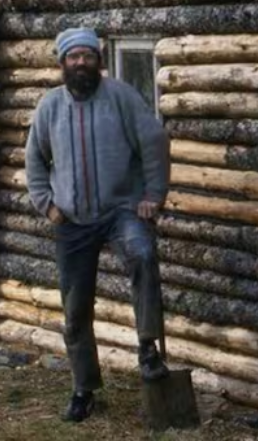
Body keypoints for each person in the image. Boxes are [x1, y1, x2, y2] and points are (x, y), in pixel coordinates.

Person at [24, 27, 172, 423]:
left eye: (88, 56)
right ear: (62, 64)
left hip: (121, 209)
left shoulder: (122, 97)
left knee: (142, 254)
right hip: (72, 219)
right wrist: (47, 205)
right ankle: (84, 388)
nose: (81, 63)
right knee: (75, 308)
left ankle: (147, 348)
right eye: (73, 57)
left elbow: (154, 143)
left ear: (98, 60)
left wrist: (152, 197)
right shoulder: (49, 107)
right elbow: (35, 160)